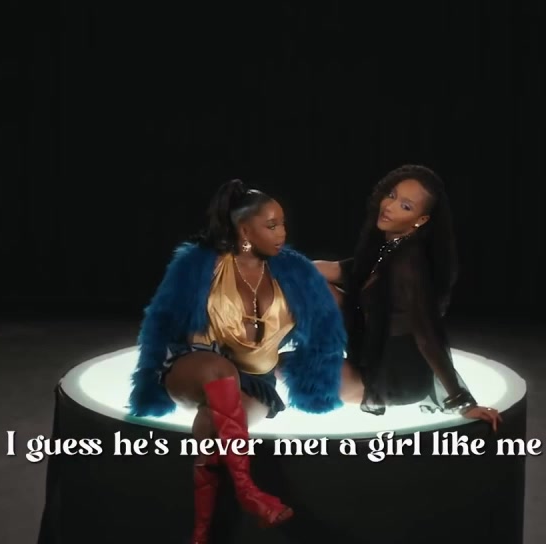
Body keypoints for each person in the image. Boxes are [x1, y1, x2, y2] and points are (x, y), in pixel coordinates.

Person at [128, 179, 346, 543]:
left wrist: (313, 376)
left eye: (283, 224)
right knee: (219, 369)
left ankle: (201, 533)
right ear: (244, 230)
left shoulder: (296, 273)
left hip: (256, 380)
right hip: (192, 366)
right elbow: (160, 322)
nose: (282, 233)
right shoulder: (201, 265)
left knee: (212, 425)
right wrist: (148, 379)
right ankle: (248, 491)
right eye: (271, 225)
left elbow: (325, 327)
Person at [314, 165, 502, 430]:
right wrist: (273, 261)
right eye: (391, 195)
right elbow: (336, 269)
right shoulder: (388, 247)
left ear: (420, 220)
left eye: (405, 206)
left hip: (395, 378)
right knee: (310, 285)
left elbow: (427, 336)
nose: (389, 207)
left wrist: (463, 402)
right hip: (373, 353)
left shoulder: (409, 264)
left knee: (287, 368)